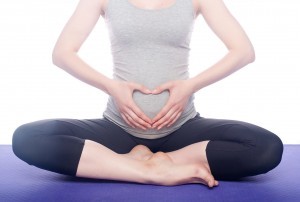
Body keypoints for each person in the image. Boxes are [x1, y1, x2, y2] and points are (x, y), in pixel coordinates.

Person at [12, 0, 283, 188]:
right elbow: (62, 53)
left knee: (266, 148)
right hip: (117, 129)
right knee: (28, 138)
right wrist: (112, 86)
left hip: (183, 130)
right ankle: (148, 170)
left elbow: (243, 51)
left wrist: (190, 86)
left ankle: (154, 162)